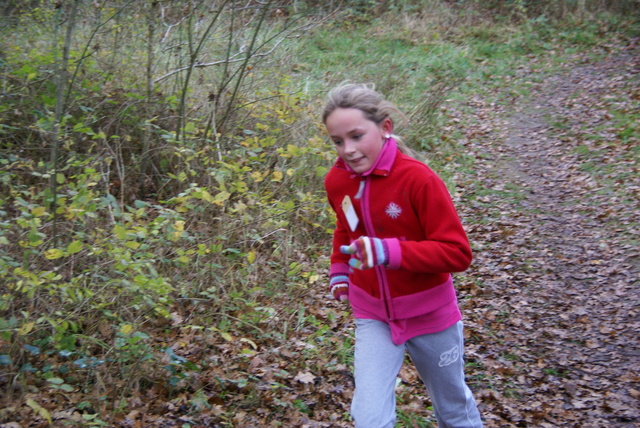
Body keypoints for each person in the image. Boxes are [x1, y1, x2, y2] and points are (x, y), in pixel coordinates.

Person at [322, 83, 483, 428]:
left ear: (385, 128)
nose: (347, 150)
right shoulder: (337, 181)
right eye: (338, 141)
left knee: (453, 409)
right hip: (373, 314)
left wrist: (387, 251)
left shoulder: (418, 180)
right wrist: (339, 269)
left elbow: (457, 253)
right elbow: (344, 227)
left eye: (356, 136)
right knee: (368, 418)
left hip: (431, 314)